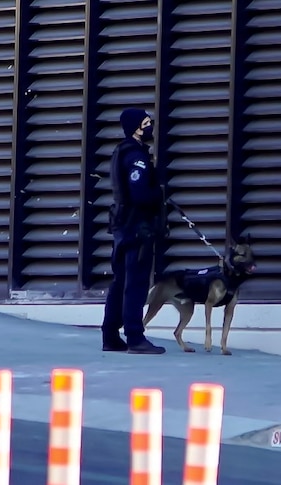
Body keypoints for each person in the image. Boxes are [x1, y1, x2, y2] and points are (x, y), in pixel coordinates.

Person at [100, 108, 167, 355]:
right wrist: (157, 191)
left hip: (122, 226)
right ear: (137, 127)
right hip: (137, 228)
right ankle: (135, 338)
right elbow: (139, 194)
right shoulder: (136, 155)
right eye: (147, 123)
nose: (150, 127)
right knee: (136, 284)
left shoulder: (121, 151)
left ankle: (110, 336)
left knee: (120, 282)